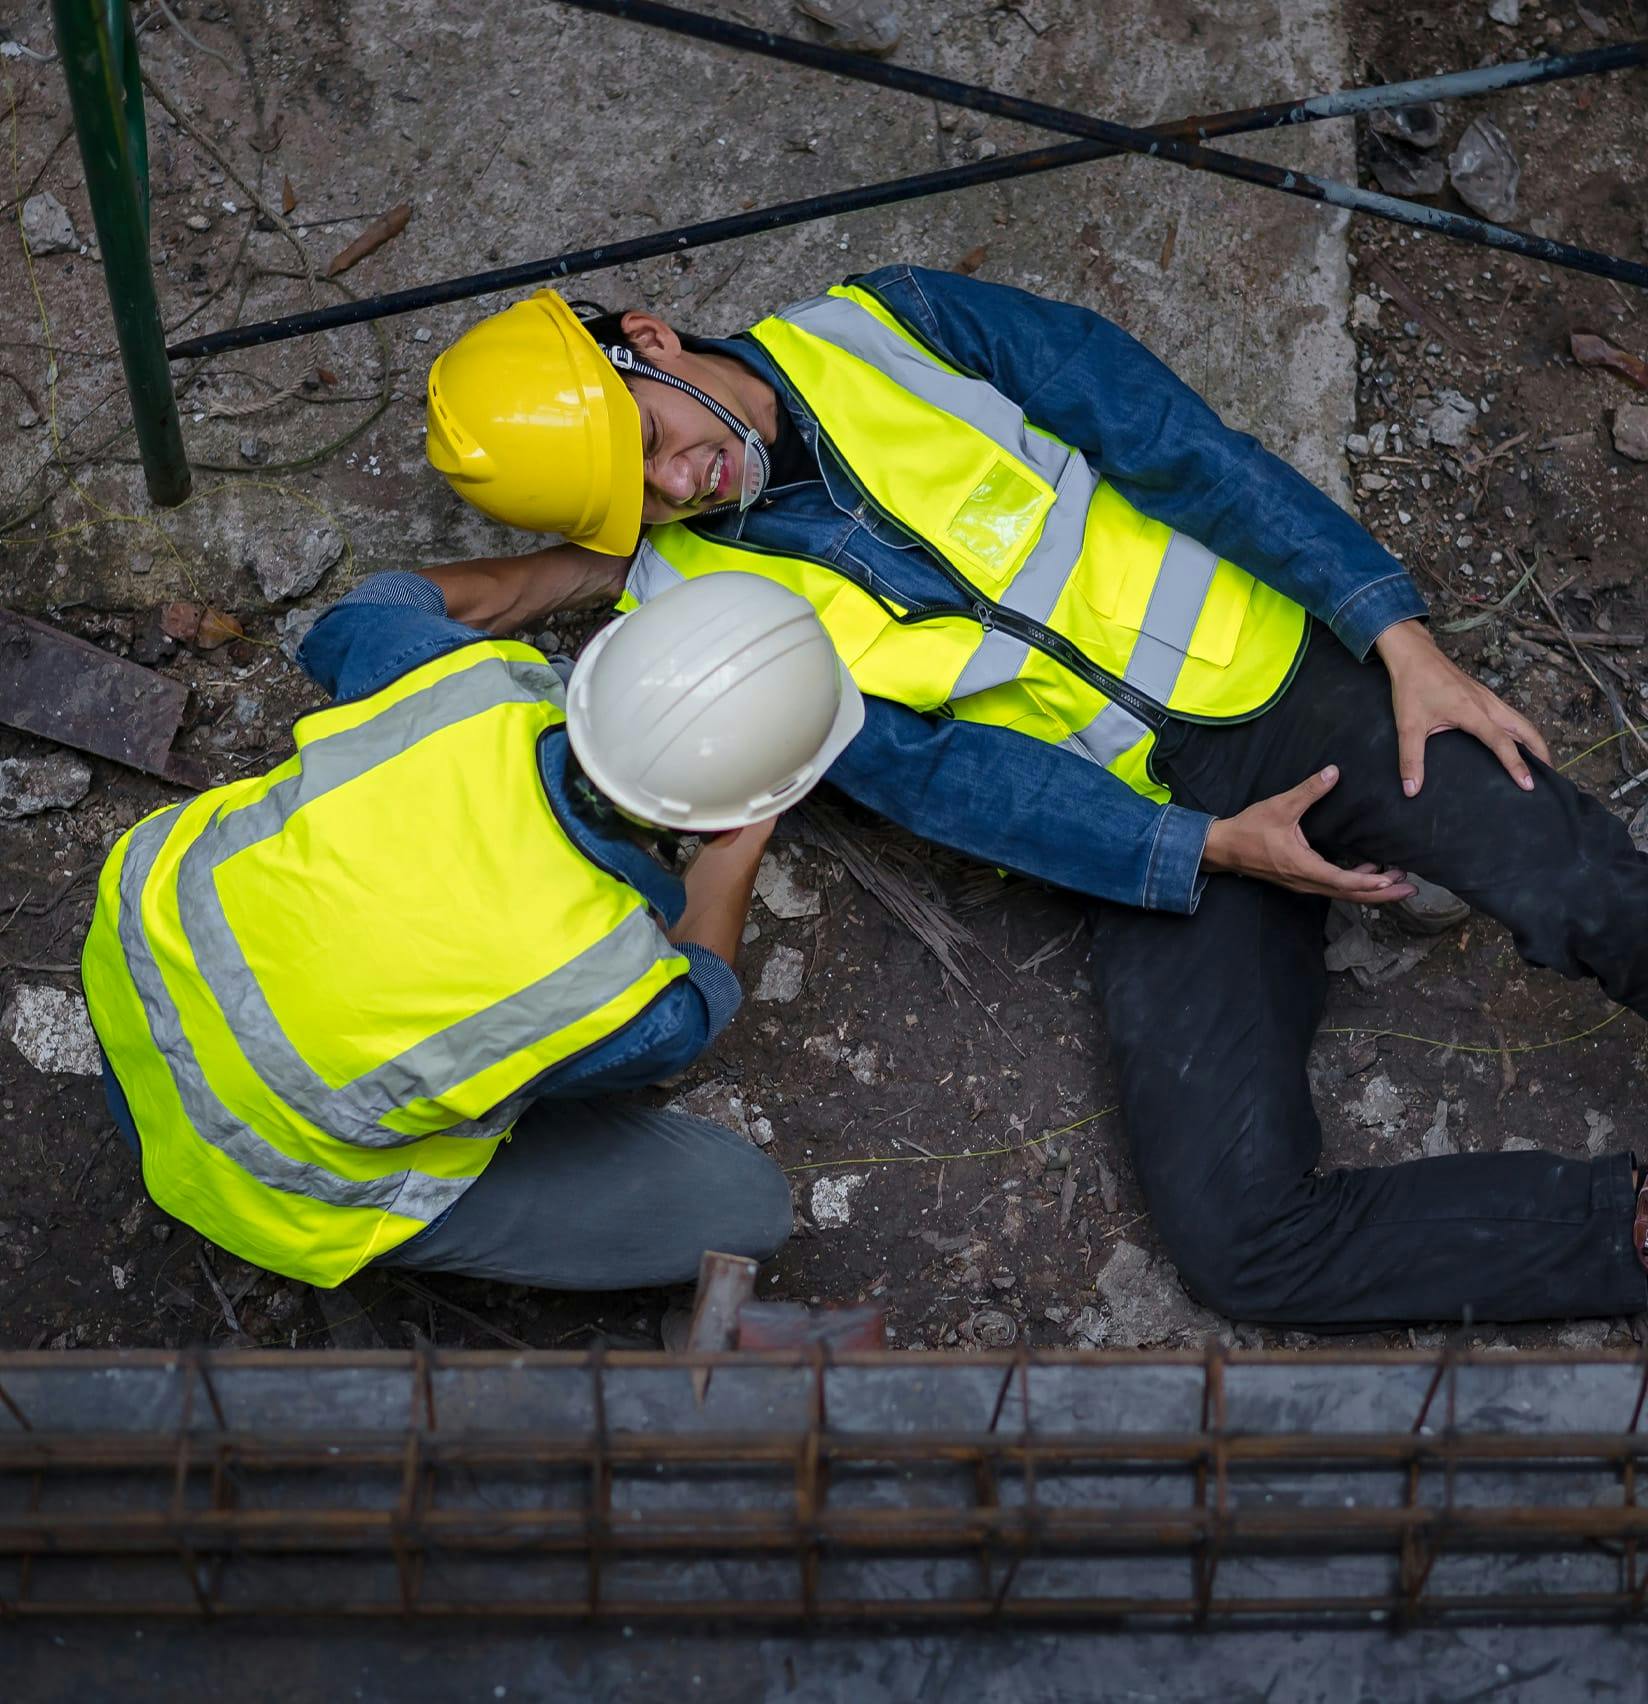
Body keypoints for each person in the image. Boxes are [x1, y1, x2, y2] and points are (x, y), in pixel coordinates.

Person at [406, 265, 1648, 1330]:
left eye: (647, 443)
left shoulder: (892, 327)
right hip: (1159, 831)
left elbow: (1176, 444)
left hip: (1294, 687)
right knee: (1238, 1242)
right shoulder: (693, 617)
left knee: (1587, 890)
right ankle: (1626, 1236)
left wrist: (1396, 638)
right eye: (635, 502)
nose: (680, 487)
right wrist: (1206, 848)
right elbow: (941, 778)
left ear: (653, 342)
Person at [81, 572, 863, 1291]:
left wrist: (559, 578)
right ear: (743, 810)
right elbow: (702, 998)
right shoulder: (624, 991)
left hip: (129, 965)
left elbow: (368, 607)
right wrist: (742, 845)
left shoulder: (461, 680)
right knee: (742, 1207)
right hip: (248, 1181)